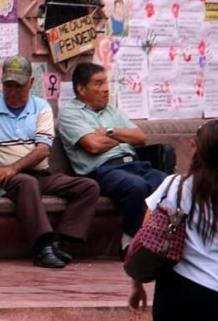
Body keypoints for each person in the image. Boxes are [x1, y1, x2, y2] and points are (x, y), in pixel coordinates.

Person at [0, 56, 100, 268]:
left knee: (87, 187)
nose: (14, 92)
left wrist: (14, 168)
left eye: (20, 86)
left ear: (31, 83)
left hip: (35, 173)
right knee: (27, 183)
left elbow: (43, 150)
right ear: (2, 83)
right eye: (9, 86)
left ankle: (58, 242)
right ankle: (41, 246)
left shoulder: (41, 107)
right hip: (2, 177)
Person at [129, 120, 218, 321]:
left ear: (195, 146)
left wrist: (137, 284)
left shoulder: (173, 186)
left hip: (173, 293)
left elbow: (144, 238)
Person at [58, 62, 166, 255]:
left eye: (106, 82)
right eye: (98, 84)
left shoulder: (112, 111)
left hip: (132, 164)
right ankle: (130, 241)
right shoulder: (70, 112)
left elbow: (141, 137)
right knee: (136, 187)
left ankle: (161, 240)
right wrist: (123, 137)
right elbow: (93, 146)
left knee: (166, 183)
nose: (106, 89)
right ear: (81, 89)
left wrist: (110, 132)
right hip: (102, 170)